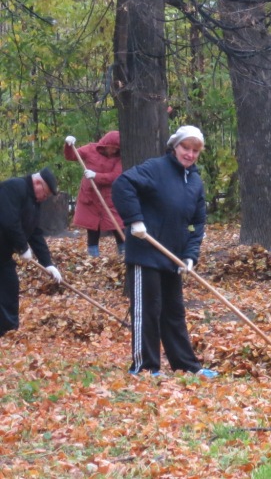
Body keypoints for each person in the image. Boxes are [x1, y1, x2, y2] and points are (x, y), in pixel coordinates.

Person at [112, 125, 216, 378]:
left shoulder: (194, 181)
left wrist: (190, 256)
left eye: (195, 150)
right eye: (185, 148)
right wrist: (135, 219)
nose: (190, 154)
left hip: (173, 257)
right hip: (146, 252)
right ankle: (145, 367)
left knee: (174, 313)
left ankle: (186, 365)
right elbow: (122, 184)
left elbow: (197, 222)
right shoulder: (155, 169)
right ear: (175, 147)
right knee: (148, 311)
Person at [0, 168, 63, 337]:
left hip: (3, 255)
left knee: (9, 288)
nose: (46, 197)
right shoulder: (14, 188)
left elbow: (35, 233)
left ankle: (8, 332)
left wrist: (48, 263)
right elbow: (8, 220)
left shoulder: (34, 203)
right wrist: (22, 247)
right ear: (37, 183)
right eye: (46, 193)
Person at [64, 132, 125, 257]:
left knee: (118, 226)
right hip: (90, 197)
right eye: (111, 147)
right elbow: (71, 156)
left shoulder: (119, 158)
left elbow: (115, 176)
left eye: (116, 149)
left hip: (109, 198)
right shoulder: (90, 149)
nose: (113, 151)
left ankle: (124, 254)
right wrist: (68, 145)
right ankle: (93, 258)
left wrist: (96, 176)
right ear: (105, 144)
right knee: (92, 229)